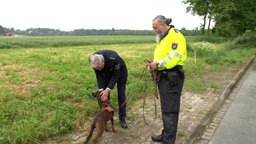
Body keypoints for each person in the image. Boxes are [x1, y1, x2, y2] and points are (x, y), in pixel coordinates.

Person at [148, 15, 187, 144]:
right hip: (164, 76)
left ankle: (169, 141)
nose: (154, 30)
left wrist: (157, 65)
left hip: (172, 77)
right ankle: (166, 135)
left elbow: (173, 59)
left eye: (155, 28)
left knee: (170, 111)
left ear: (163, 25)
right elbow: (162, 56)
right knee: (166, 108)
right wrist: (154, 66)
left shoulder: (175, 36)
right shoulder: (163, 37)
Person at [89, 50, 128, 129]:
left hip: (120, 72)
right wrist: (102, 90)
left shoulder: (113, 58)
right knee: (102, 96)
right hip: (106, 74)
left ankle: (122, 118)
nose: (98, 70)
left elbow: (116, 76)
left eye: (99, 68)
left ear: (103, 61)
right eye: (97, 69)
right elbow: (99, 76)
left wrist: (108, 89)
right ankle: (105, 116)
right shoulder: (93, 60)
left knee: (121, 95)